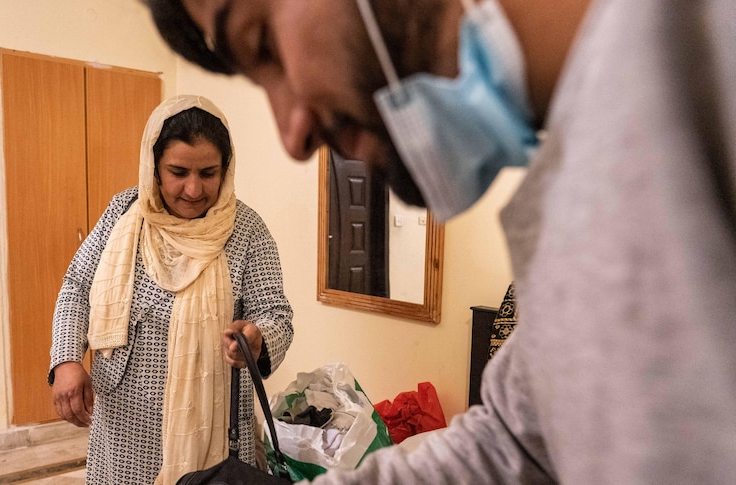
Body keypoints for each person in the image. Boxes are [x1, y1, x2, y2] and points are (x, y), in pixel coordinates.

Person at [146, 0, 736, 483]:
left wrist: (256, 335)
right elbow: (511, 445)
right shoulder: (569, 188)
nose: (292, 134)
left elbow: (274, 313)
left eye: (264, 45)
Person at [48, 94, 294, 484]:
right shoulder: (124, 213)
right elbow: (78, 285)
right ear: (154, 167)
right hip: (125, 426)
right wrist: (66, 360)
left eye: (208, 173)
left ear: (226, 170)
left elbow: (276, 314)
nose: (194, 190)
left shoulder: (247, 230)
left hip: (213, 427)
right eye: (178, 172)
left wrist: (258, 337)